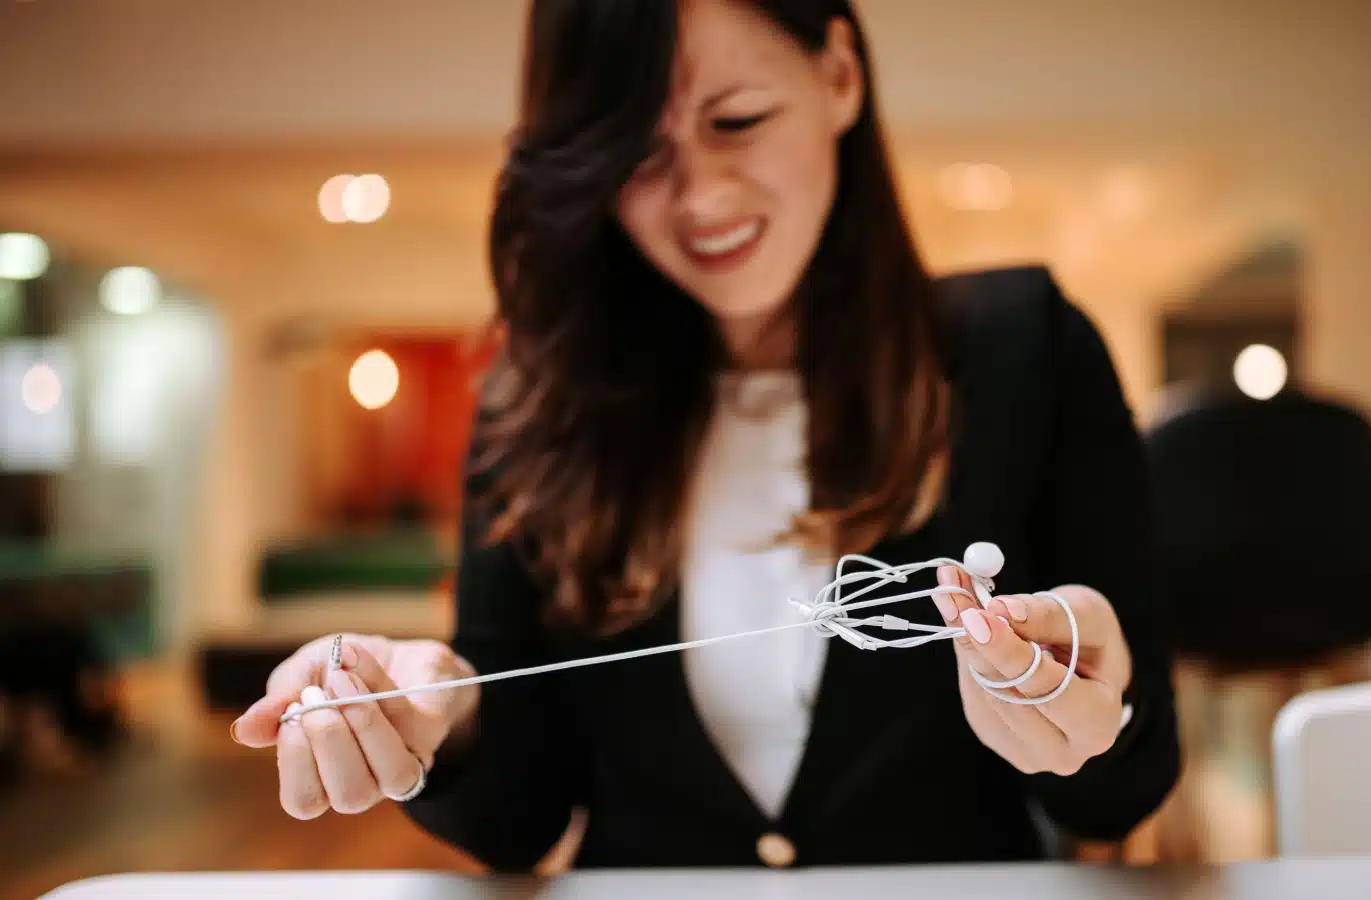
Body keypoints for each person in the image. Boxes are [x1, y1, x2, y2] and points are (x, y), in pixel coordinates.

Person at [232, 0, 1179, 871]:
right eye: (636, 153)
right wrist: (446, 714)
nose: (699, 197)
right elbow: (517, 820)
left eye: (737, 121)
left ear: (840, 73)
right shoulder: (536, 400)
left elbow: (1124, 794)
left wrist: (1093, 701)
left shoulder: (1027, 350)